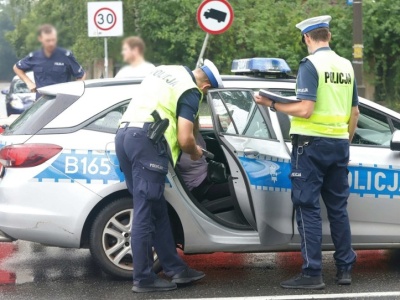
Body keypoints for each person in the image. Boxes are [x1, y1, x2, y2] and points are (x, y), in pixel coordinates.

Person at [255, 15, 359, 289]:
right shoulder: (346, 65)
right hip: (337, 144)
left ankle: (312, 273)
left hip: (310, 146)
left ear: (307, 38)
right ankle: (345, 269)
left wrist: (271, 104)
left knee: (307, 208)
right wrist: (343, 142)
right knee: (338, 209)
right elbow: (355, 111)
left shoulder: (310, 64)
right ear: (330, 36)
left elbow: (305, 109)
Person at [115, 59, 223, 293]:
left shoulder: (166, 70)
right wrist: (196, 153)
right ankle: (143, 279)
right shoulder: (192, 91)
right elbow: (185, 139)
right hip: (148, 141)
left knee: (156, 208)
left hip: (125, 135)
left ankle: (176, 269)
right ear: (206, 87)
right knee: (144, 210)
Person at [13, 24, 85, 98]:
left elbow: (81, 75)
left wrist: (74, 94)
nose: (51, 43)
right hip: (42, 102)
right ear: (40, 39)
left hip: (61, 102)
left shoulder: (65, 56)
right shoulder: (34, 56)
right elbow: (17, 67)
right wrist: (29, 83)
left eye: (53, 40)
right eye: (48, 40)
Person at [177, 119, 230, 202]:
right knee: (237, 189)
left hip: (209, 175)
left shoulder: (196, 134)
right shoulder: (175, 142)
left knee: (237, 182)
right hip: (197, 186)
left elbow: (203, 156)